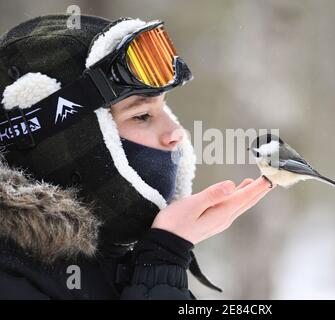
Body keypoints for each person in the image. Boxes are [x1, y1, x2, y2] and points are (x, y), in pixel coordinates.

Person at [0, 14, 273, 299]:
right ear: (59, 139)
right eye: (142, 115)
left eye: (163, 108)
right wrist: (160, 270)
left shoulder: (122, 253)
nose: (177, 132)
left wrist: (161, 260)